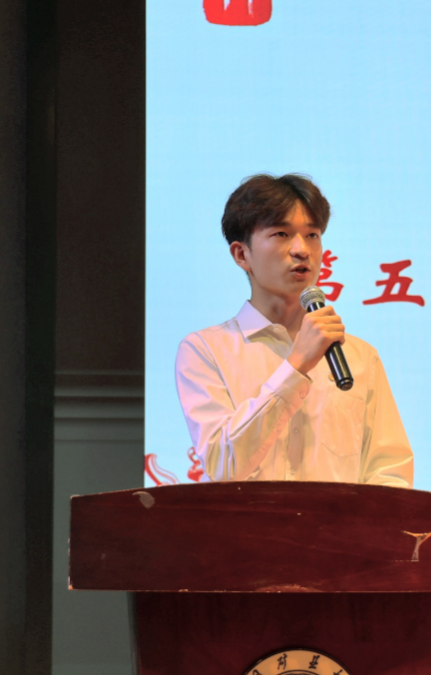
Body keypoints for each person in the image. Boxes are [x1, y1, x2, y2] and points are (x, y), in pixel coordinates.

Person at [175, 173, 413, 487]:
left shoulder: (359, 357)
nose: (302, 249)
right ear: (242, 254)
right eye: (281, 234)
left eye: (312, 235)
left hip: (337, 522)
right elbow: (224, 466)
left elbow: (390, 473)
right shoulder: (205, 350)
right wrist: (296, 365)